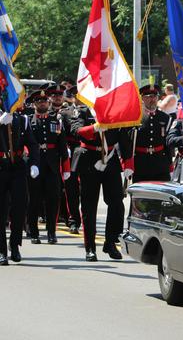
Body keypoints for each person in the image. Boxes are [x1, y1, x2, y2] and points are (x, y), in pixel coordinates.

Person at [71, 105, 133, 262]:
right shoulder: (84, 111)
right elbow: (76, 130)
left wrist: (128, 163)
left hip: (110, 159)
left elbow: (123, 135)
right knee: (89, 206)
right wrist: (94, 127)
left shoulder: (114, 111)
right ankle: (90, 248)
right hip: (89, 158)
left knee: (117, 203)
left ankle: (110, 242)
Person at [27, 90, 70, 244]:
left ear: (49, 103)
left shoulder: (55, 121)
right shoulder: (29, 121)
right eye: (39, 101)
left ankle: (51, 232)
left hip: (52, 166)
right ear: (34, 104)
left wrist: (66, 168)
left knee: (53, 200)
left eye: (44, 100)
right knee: (34, 200)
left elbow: (62, 145)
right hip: (35, 166)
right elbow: (25, 144)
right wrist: (30, 163)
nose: (42, 103)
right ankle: (33, 232)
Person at [0, 106, 39, 265]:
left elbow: (33, 144)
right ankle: (1, 250)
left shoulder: (22, 120)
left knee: (20, 208)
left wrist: (34, 163)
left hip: (17, 167)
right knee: (1, 211)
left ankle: (14, 245)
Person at [132, 84, 172, 183]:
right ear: (142, 98)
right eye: (149, 97)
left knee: (161, 195)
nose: (152, 99)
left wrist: (170, 163)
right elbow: (127, 140)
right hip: (140, 163)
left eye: (155, 96)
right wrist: (127, 162)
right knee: (140, 196)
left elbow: (167, 142)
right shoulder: (135, 117)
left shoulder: (165, 118)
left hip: (160, 163)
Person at [59, 86, 81, 234]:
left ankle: (86, 219)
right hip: (72, 153)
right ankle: (73, 220)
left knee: (87, 191)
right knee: (71, 189)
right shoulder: (65, 113)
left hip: (90, 153)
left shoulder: (94, 113)